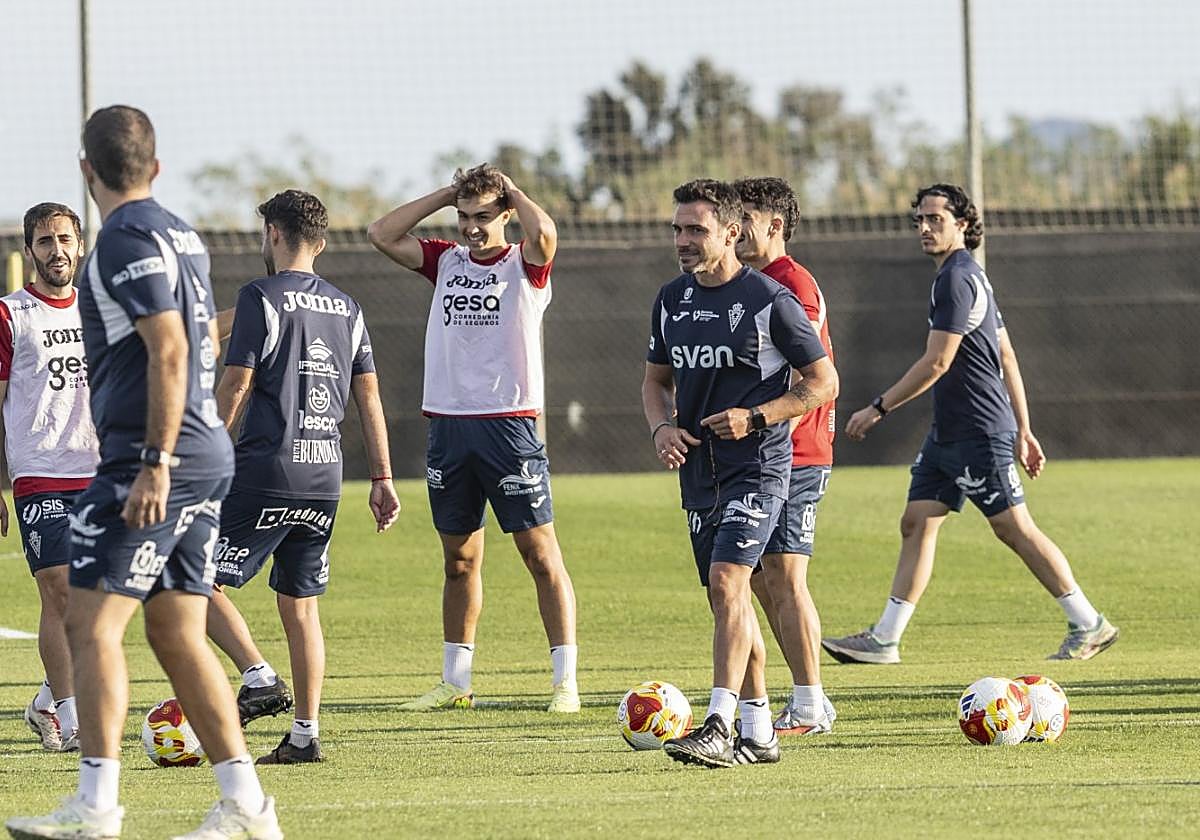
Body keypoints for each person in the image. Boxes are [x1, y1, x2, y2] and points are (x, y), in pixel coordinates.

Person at [6, 105, 282, 840]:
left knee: (90, 623)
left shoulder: (123, 236)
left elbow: (168, 348)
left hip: (147, 458)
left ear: (88, 171)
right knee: (175, 632)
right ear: (155, 167)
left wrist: (155, 460)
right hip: (199, 456)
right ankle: (248, 805)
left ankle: (95, 809)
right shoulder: (180, 231)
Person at [821, 183, 1119, 665]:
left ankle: (1088, 622)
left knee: (1014, 529)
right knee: (917, 522)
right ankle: (885, 639)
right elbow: (1005, 352)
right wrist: (1025, 428)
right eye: (919, 219)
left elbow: (938, 362)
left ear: (962, 224)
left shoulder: (958, 278)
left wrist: (878, 408)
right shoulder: (967, 275)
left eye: (935, 219)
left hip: (978, 430)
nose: (924, 227)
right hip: (948, 433)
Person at [367, 165, 580, 714]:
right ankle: (456, 681)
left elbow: (546, 234)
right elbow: (381, 233)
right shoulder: (446, 262)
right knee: (459, 560)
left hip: (509, 426)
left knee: (539, 555)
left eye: (483, 216)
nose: (471, 228)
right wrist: (445, 194)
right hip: (448, 426)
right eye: (463, 217)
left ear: (506, 213)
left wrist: (512, 191)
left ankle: (565, 681)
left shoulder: (524, 265)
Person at [642, 179, 838, 768]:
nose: (682, 240)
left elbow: (824, 382)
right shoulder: (670, 299)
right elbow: (655, 383)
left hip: (758, 468)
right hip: (698, 473)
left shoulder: (769, 300)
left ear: (730, 233)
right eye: (677, 229)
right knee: (727, 598)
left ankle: (718, 725)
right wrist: (661, 428)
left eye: (695, 229)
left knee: (730, 584)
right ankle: (758, 729)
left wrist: (757, 416)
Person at [204, 188, 400, 765]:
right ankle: (305, 734)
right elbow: (371, 400)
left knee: (184, 575)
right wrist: (382, 477)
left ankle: (257, 676)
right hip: (325, 478)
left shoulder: (259, 298)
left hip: (266, 470)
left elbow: (236, 384)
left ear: (274, 234)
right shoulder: (349, 308)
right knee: (301, 606)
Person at [732, 177, 837, 734]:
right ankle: (806, 694)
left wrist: (758, 421)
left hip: (796, 451)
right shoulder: (745, 283)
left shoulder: (793, 285)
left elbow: (811, 377)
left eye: (742, 218)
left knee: (784, 574)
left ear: (775, 225)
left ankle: (809, 703)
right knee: (754, 578)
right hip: (757, 452)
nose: (733, 229)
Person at [1, 203, 98, 754]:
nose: (56, 250)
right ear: (29, 251)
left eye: (64, 239)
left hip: (99, 474)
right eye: (44, 242)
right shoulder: (11, 315)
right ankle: (70, 713)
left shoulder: (101, 313)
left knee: (99, 602)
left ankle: (44, 699)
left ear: (78, 244)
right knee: (58, 591)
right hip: (40, 473)